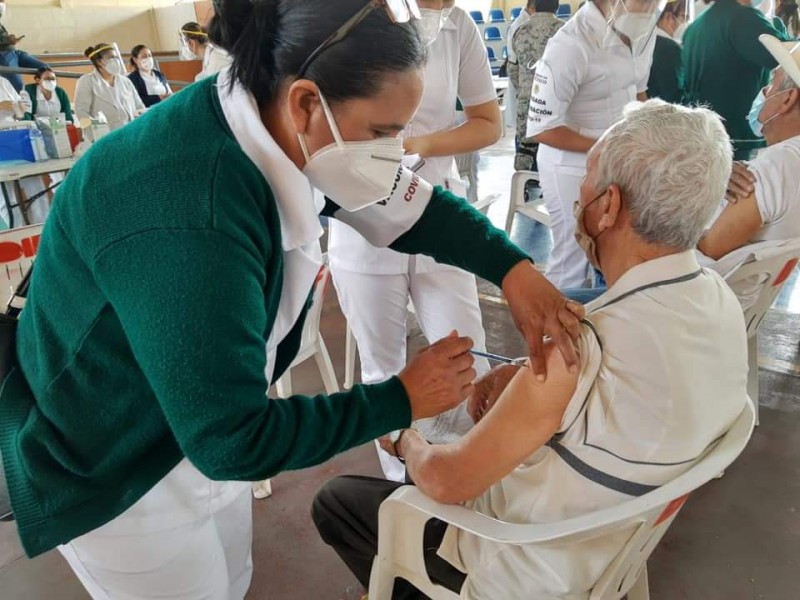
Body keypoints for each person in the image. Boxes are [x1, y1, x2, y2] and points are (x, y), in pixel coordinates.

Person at [0, 1, 585, 598]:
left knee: (231, 580)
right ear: (307, 102)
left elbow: (417, 210)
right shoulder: (185, 209)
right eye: (383, 133)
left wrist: (513, 270)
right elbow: (230, 440)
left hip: (198, 422)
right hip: (113, 461)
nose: (396, 150)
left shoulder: (286, 127)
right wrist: (397, 400)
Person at [313, 99, 750, 600]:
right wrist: (523, 378)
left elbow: (447, 481)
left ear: (607, 207)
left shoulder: (577, 349)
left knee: (338, 501)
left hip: (522, 570)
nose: (576, 194)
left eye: (586, 179)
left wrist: (405, 438)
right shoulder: (721, 302)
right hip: (610, 548)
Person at [328, 0, 503, 483]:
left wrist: (418, 146)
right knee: (384, 368)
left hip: (436, 211)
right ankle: (399, 488)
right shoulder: (352, 17)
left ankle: (468, 476)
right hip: (360, 217)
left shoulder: (458, 26)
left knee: (468, 351)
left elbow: (489, 123)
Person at [527, 0, 664, 289]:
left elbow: (638, 92)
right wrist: (609, 146)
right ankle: (555, 328)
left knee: (613, 249)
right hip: (569, 164)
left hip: (618, 159)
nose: (652, 6)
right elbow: (543, 128)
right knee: (574, 257)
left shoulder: (643, 32)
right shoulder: (570, 45)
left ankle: (598, 327)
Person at [700, 35, 800, 259]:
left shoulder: (775, 167)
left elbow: (708, 249)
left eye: (772, 84)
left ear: (787, 100)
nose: (764, 92)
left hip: (727, 290)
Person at [682, 0, 791, 160]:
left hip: (704, 134)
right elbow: (790, 57)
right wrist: (779, 31)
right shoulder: (743, 19)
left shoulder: (695, 27)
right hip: (736, 136)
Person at [509, 0, 565, 171]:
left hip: (527, 101)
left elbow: (513, 68)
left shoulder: (520, 30)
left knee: (525, 150)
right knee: (554, 150)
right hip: (555, 103)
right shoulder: (564, 30)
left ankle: (522, 188)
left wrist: (524, 89)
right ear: (557, 7)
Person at [75, 42, 145, 132]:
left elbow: (139, 107)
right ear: (99, 61)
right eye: (111, 58)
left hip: (131, 133)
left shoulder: (125, 81)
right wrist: (93, 135)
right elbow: (81, 112)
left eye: (116, 57)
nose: (116, 60)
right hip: (105, 136)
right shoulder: (87, 81)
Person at [0, 0, 48, 92]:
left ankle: (39, 94)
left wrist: (10, 38)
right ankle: (22, 100)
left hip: (15, 53)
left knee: (45, 68)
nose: (2, 5)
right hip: (4, 55)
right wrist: (8, 40)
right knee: (18, 85)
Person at [648, 0, 688, 102]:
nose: (684, 23)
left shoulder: (646, 42)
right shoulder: (671, 49)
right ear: (669, 17)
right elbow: (675, 94)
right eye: (683, 17)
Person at [505, 0, 533, 135]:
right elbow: (513, 65)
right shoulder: (519, 25)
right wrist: (523, 92)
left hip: (528, 88)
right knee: (522, 134)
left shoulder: (529, 23)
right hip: (522, 88)